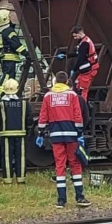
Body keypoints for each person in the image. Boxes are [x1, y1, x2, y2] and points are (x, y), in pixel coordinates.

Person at [37, 71, 92, 208]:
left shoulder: (48, 96)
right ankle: (79, 197)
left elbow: (43, 116)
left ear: (55, 82)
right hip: (72, 135)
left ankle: (61, 200)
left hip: (56, 135)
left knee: (59, 166)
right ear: (67, 81)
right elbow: (78, 116)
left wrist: (40, 133)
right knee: (75, 164)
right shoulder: (72, 95)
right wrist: (79, 133)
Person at [0, 79, 33, 184]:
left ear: (4, 90)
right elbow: (29, 119)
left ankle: (7, 180)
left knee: (6, 157)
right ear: (17, 89)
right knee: (21, 157)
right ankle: (21, 179)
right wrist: (29, 129)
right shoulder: (24, 103)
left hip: (6, 135)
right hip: (21, 134)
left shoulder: (0, 104)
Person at [57, 25, 99, 102]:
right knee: (77, 85)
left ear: (80, 33)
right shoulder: (84, 41)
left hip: (88, 70)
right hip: (86, 70)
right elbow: (77, 53)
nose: (75, 38)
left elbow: (80, 58)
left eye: (75, 36)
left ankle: (82, 108)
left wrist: (74, 69)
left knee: (82, 90)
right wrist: (66, 55)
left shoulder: (84, 44)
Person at [0, 9, 29, 100]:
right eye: (9, 17)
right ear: (6, 19)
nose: (11, 18)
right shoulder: (9, 31)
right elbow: (16, 44)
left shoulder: (0, 31)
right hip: (9, 57)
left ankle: (8, 94)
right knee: (8, 75)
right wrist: (26, 53)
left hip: (4, 57)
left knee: (10, 77)